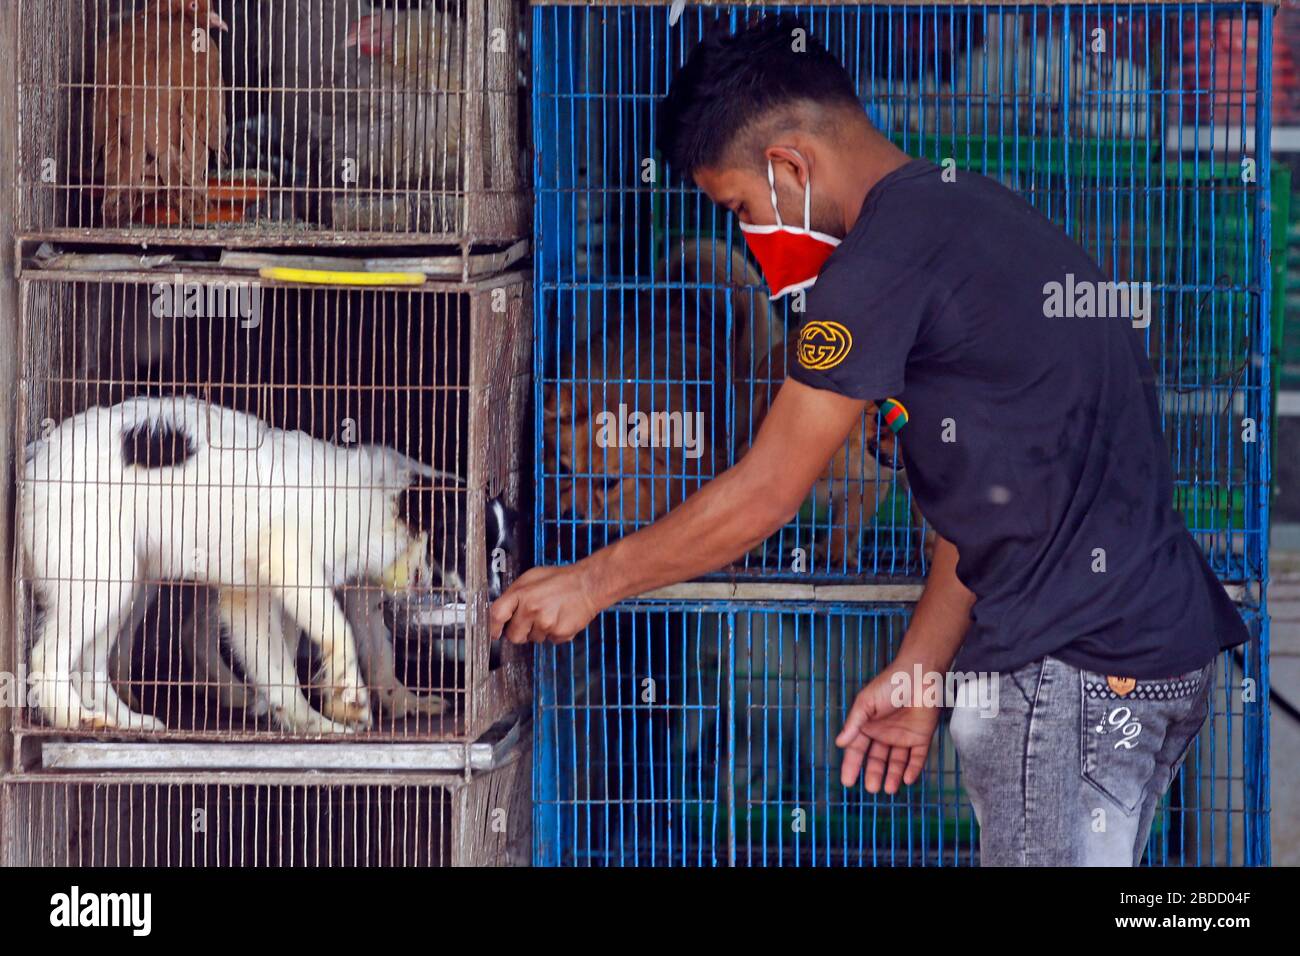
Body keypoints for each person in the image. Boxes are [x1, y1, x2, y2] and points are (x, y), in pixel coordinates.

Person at [489, 15, 1248, 866]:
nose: (745, 237)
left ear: (788, 166)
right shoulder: (973, 214)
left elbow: (769, 491)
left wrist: (593, 583)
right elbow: (987, 503)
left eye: (739, 209)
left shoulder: (871, 274)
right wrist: (923, 673)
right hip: (1151, 657)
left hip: (1069, 678)